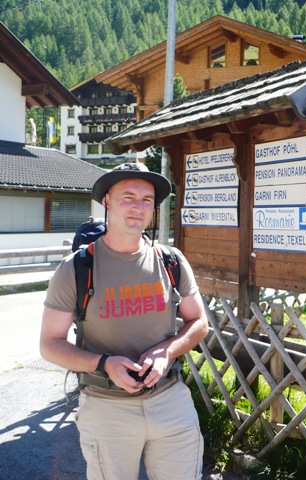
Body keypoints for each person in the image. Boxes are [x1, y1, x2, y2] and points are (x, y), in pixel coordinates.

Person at [40, 163, 209, 480]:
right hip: (106, 410)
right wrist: (104, 363)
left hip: (171, 401)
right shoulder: (75, 269)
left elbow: (199, 322)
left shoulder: (171, 261)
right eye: (128, 197)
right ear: (106, 200)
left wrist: (166, 352)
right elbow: (50, 344)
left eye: (147, 200)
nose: (139, 207)